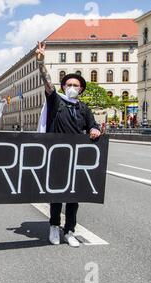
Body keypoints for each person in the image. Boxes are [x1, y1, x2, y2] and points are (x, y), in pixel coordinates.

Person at [36, 41, 101, 248]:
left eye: (76, 85)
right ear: (63, 87)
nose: (72, 88)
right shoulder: (56, 101)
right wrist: (41, 62)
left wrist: (95, 129)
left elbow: (93, 125)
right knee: (57, 195)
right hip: (57, 157)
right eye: (68, 85)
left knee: (74, 198)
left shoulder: (84, 108)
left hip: (77, 160)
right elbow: (47, 82)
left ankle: (70, 230)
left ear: (81, 89)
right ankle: (54, 226)